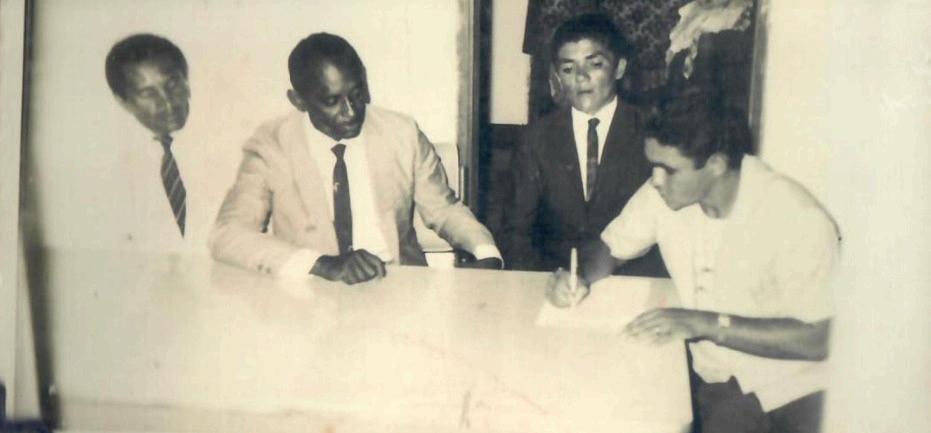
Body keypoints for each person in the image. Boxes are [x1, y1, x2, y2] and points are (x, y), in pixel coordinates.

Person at [549, 103, 840, 433]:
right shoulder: (660, 196)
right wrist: (580, 276)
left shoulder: (795, 215)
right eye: (653, 166)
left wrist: (704, 324)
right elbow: (610, 249)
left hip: (803, 388)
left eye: (668, 170)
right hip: (724, 387)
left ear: (716, 164)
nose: (656, 180)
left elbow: (820, 339)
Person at [211, 33, 502, 284]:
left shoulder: (402, 133)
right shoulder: (272, 145)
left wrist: (485, 251)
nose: (351, 112)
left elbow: (444, 209)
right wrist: (321, 264)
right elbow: (227, 233)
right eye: (332, 101)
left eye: (357, 94)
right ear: (298, 101)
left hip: (400, 289)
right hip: (313, 291)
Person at [503, 13, 667, 276]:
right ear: (557, 76)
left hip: (633, 281)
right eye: (568, 69)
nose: (581, 77)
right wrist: (540, 283)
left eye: (595, 65)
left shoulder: (651, 132)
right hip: (556, 280)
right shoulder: (536, 138)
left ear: (619, 68)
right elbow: (516, 232)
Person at [104, 33, 205, 253]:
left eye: (172, 84)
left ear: (186, 81)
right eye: (148, 93)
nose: (167, 103)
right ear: (123, 102)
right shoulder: (113, 170)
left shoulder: (238, 142)